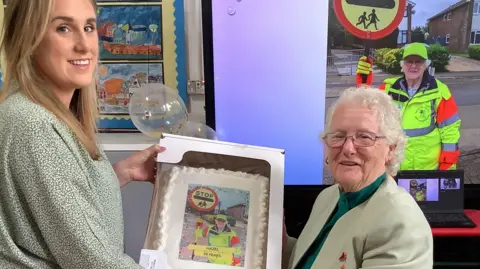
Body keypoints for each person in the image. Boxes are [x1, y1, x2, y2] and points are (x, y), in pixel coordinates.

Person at [0, 0, 163, 268]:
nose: (85, 45)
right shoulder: (36, 124)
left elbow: (51, 206)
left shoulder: (40, 113)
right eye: (63, 28)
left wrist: (120, 173)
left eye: (88, 27)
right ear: (29, 38)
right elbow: (95, 262)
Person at [282, 87, 433, 269]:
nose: (348, 148)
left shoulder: (400, 223)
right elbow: (311, 261)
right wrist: (280, 244)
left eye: (364, 137)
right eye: (338, 136)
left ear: (390, 149)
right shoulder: (328, 197)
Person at [356, 42, 461, 170]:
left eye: (418, 62)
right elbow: (368, 113)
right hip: (394, 168)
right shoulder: (388, 89)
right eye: (409, 62)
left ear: (426, 65)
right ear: (402, 65)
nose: (413, 66)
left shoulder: (439, 92)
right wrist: (363, 86)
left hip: (428, 169)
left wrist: (447, 165)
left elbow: (450, 130)